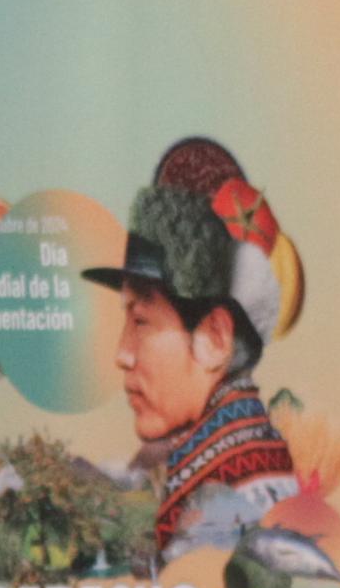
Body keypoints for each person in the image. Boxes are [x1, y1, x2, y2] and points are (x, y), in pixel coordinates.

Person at [79, 137, 305, 566]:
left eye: (141, 321)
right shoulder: (186, 468)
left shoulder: (235, 509)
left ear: (215, 339)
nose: (122, 355)